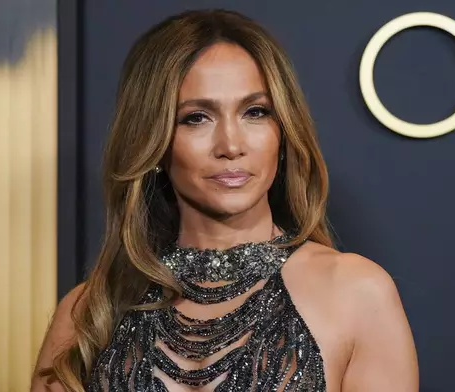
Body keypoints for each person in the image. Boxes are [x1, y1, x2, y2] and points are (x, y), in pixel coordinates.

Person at [31, 8, 418, 392]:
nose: (231, 145)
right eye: (196, 118)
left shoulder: (356, 293)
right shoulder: (87, 315)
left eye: (255, 112)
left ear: (282, 132)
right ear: (155, 142)